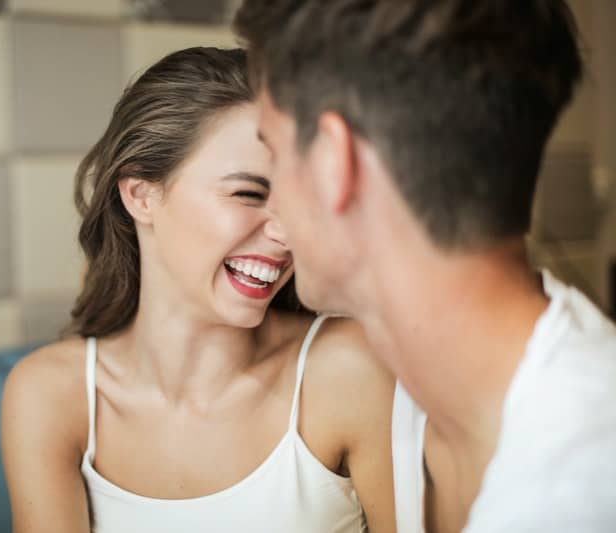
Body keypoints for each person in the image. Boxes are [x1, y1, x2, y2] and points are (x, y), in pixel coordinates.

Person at [233, 1, 616, 532]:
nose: (272, 211)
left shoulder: (577, 489)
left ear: (331, 162)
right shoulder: (410, 398)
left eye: (273, 157)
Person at [0, 47, 396, 533]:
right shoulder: (50, 396)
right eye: (248, 194)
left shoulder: (350, 371)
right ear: (141, 195)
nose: (290, 234)